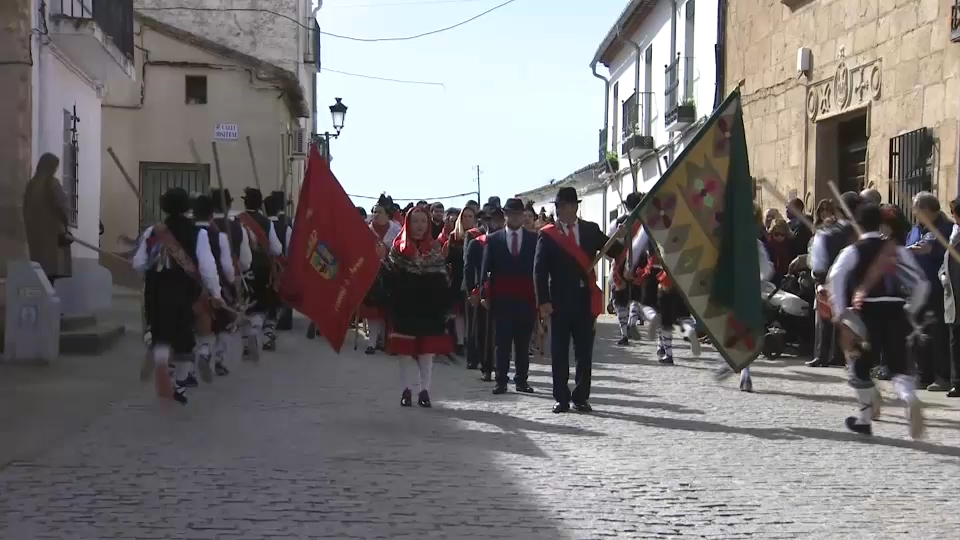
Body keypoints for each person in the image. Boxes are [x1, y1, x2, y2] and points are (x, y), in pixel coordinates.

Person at [826, 203, 929, 438]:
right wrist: (910, 308)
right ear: (880, 224)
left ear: (858, 224)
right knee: (899, 366)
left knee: (859, 368)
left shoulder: (853, 251)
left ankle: (864, 419)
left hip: (866, 314)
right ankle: (909, 398)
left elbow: (836, 278)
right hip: (896, 311)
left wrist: (841, 311)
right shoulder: (898, 250)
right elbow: (921, 283)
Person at [534, 186, 624, 413]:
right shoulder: (548, 234)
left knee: (584, 352)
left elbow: (614, 251)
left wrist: (622, 235)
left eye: (562, 205)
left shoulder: (590, 230)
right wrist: (543, 301)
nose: (558, 210)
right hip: (559, 301)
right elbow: (539, 270)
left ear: (574, 207)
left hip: (585, 300)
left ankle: (581, 396)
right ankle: (561, 398)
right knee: (559, 352)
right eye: (556, 206)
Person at [133, 187, 225, 405]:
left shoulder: (152, 232)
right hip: (184, 292)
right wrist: (216, 293)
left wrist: (151, 272)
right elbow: (207, 267)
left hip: (156, 290)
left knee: (161, 334)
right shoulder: (198, 233)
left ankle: (162, 362)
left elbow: (138, 263)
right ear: (187, 208)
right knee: (184, 340)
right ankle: (180, 386)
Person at [383, 206, 453, 407]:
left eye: (423, 221)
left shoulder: (435, 249)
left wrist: (443, 305)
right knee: (404, 353)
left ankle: (424, 391)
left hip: (429, 309)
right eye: (415, 221)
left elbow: (441, 279)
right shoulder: (397, 249)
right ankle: (406, 391)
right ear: (408, 223)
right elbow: (390, 280)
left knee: (426, 353)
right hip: (404, 307)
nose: (420, 225)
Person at [480, 198, 537, 395]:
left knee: (522, 343)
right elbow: (485, 269)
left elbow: (538, 270)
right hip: (501, 299)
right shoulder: (494, 239)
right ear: (505, 216)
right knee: (502, 343)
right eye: (511, 213)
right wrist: (482, 293)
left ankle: (521, 380)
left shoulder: (533, 239)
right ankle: (501, 380)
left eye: (518, 214)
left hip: (526, 299)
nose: (515, 217)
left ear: (523, 216)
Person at [905, 191, 954, 391]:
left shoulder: (947, 228)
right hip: (917, 288)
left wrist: (929, 250)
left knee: (938, 334)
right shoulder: (915, 229)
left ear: (927, 209)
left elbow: (948, 255)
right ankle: (923, 374)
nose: (914, 212)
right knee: (920, 333)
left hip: (937, 288)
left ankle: (942, 376)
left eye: (917, 209)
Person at [806, 191, 861, 368]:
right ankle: (838, 356)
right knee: (842, 318)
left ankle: (823, 355)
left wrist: (818, 275)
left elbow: (817, 257)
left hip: (830, 278)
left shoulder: (829, 231)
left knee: (825, 318)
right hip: (851, 280)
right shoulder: (858, 229)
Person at [192, 194, 238, 379]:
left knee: (191, 327)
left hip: (189, 287)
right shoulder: (219, 237)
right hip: (215, 285)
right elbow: (226, 267)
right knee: (223, 325)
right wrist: (231, 285)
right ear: (211, 214)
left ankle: (189, 369)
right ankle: (217, 359)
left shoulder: (186, 233)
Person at [235, 188, 283, 358]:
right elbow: (276, 248)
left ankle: (247, 343)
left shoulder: (237, 220)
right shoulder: (266, 222)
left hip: (242, 271)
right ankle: (256, 330)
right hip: (263, 269)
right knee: (261, 304)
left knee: (243, 305)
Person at [23, 153, 73, 283]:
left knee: (40, 273)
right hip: (52, 236)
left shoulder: (31, 185)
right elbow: (62, 206)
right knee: (52, 274)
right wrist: (66, 222)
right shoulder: (51, 183)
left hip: (35, 237)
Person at [362, 195, 401, 354]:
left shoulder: (397, 230)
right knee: (373, 308)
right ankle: (372, 342)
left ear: (387, 214)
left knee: (386, 309)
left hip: (390, 273)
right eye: (374, 211)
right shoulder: (366, 230)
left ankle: (384, 341)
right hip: (372, 273)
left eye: (379, 211)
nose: (375, 214)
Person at [441, 206, 478, 356]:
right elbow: (447, 259)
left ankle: (471, 340)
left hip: (474, 277)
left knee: (471, 311)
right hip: (457, 277)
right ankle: (460, 342)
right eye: (465, 216)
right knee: (459, 312)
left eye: (470, 216)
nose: (467, 219)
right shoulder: (454, 236)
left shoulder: (479, 235)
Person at [463, 209, 493, 375]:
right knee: (476, 326)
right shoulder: (473, 237)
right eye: (487, 219)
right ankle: (474, 358)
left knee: (491, 327)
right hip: (476, 286)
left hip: (494, 287)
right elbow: (468, 264)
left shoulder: (500, 237)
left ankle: (490, 360)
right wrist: (472, 289)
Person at [264, 191, 293, 334]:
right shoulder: (286, 228)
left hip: (261, 269)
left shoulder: (260, 224)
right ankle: (270, 330)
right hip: (279, 270)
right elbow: (289, 250)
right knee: (277, 301)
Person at [940, 197, 960, 398]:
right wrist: (943, 274)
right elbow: (945, 261)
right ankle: (957, 382)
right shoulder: (954, 233)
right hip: (953, 294)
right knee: (955, 340)